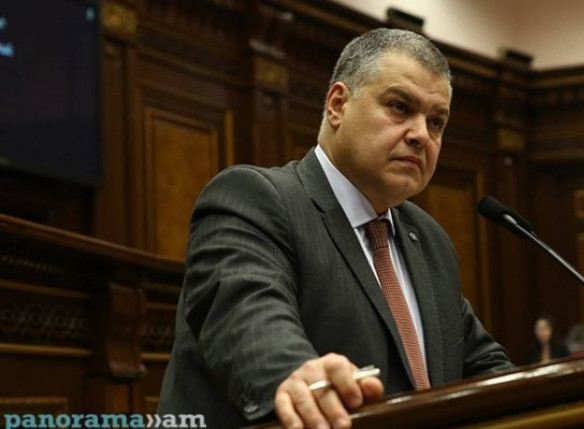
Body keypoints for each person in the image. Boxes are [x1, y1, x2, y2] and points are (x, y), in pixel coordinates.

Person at [156, 28, 514, 429]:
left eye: (436, 122)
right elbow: (247, 316)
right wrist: (294, 374)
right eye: (400, 107)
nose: (421, 136)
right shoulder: (255, 199)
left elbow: (481, 364)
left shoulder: (429, 239)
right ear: (338, 105)